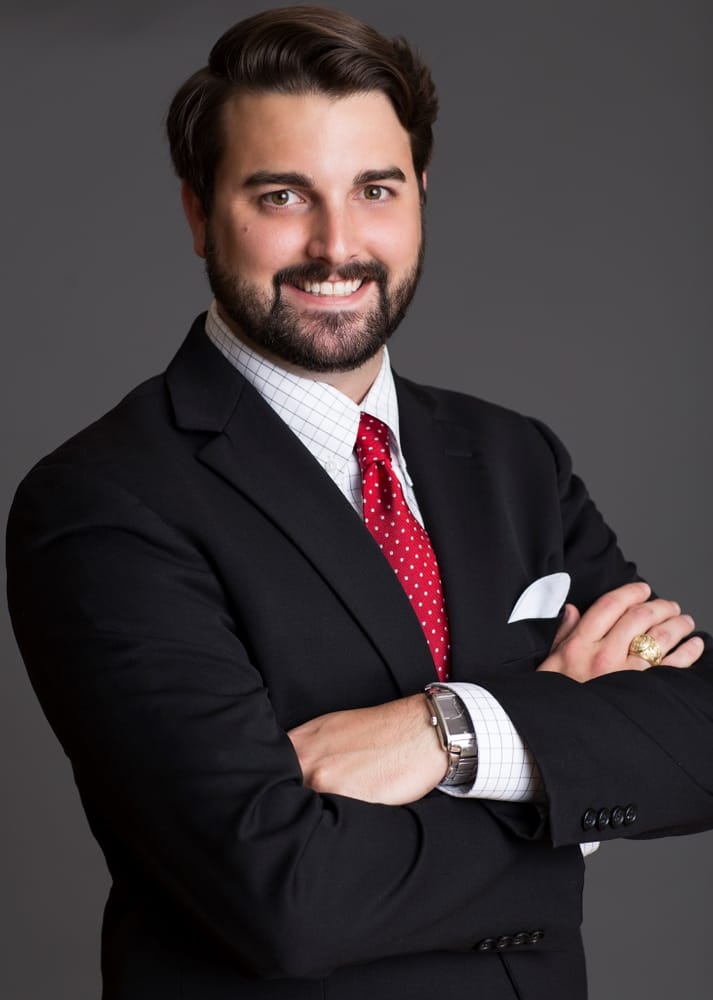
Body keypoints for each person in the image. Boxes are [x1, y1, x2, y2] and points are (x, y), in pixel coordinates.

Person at [6, 6, 713, 999]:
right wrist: (565, 769)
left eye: (374, 189)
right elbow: (285, 897)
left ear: (420, 195)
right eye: (282, 195)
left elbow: (695, 741)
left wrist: (447, 730)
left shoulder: (514, 457)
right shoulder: (103, 503)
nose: (336, 246)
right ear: (199, 214)